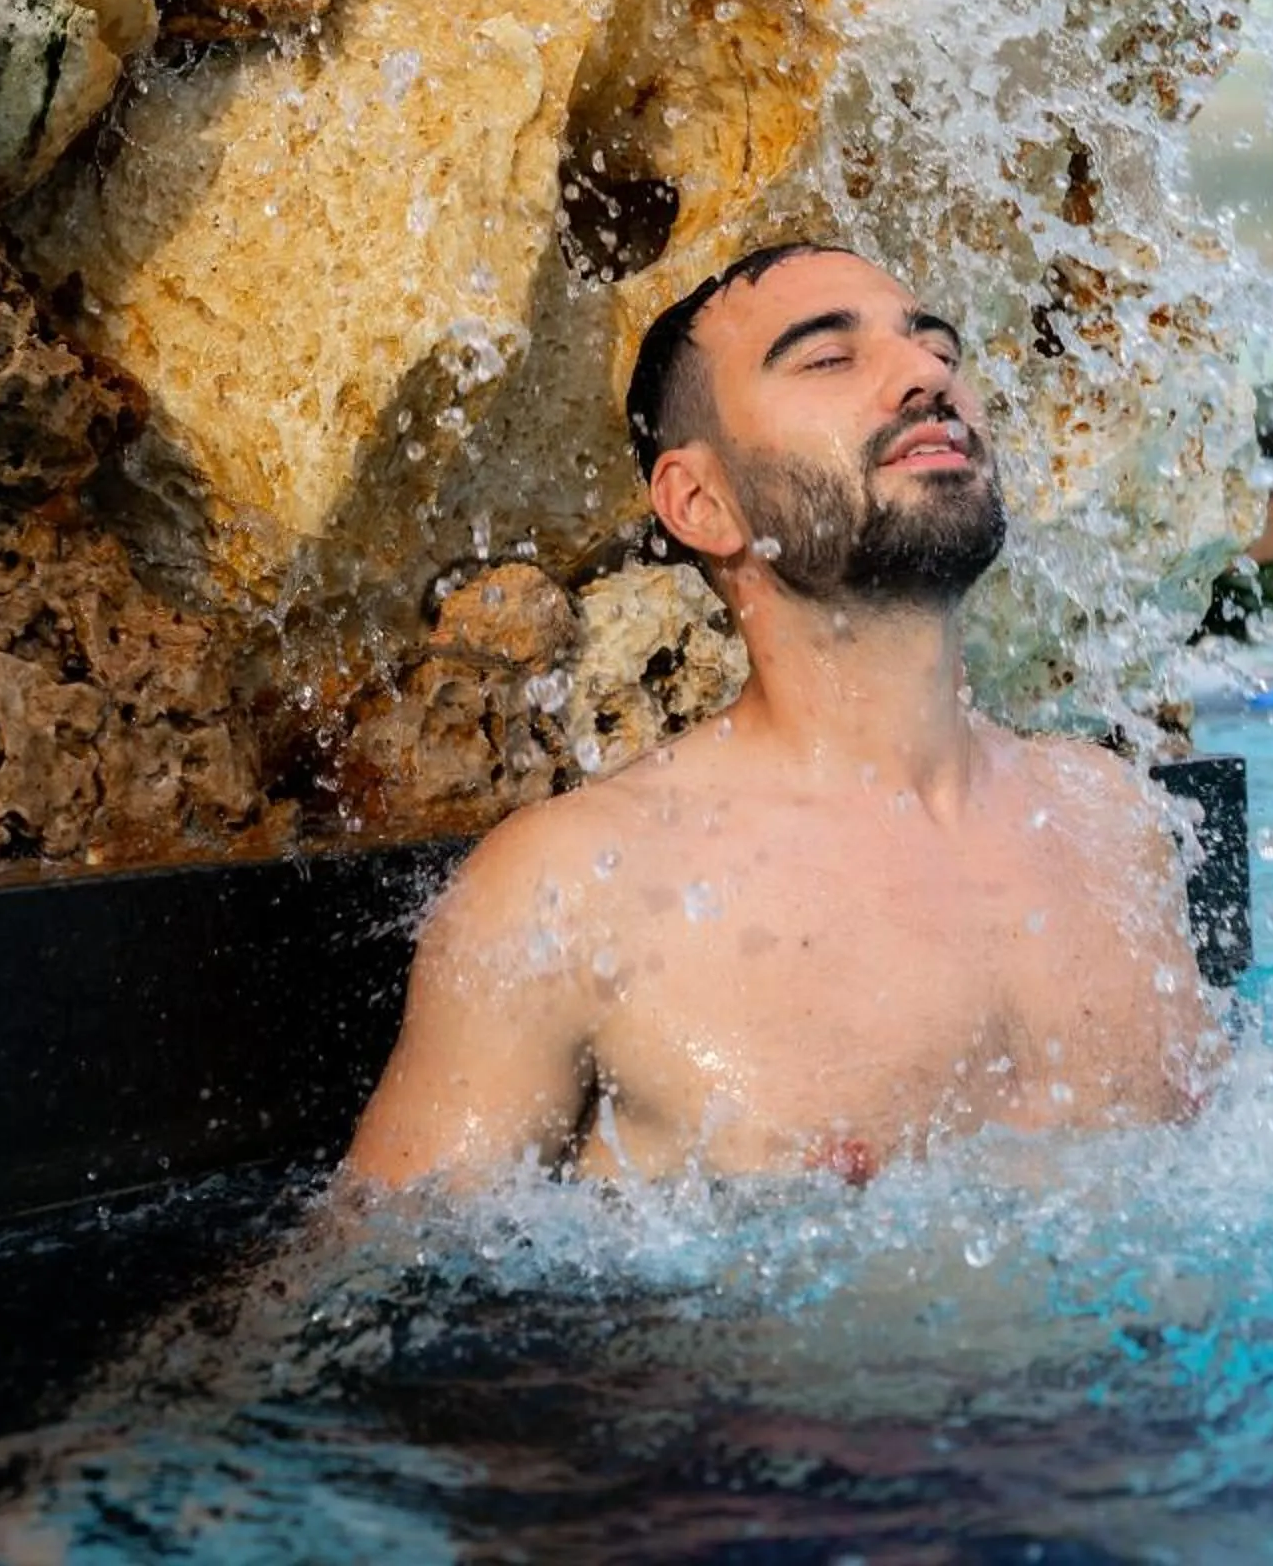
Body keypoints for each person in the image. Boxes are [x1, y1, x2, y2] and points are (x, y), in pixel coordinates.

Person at [343, 245, 1220, 1191]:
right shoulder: (572, 889)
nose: (927, 375)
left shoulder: (1105, 819)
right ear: (702, 500)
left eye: (937, 347)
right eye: (828, 359)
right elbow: (380, 1280)